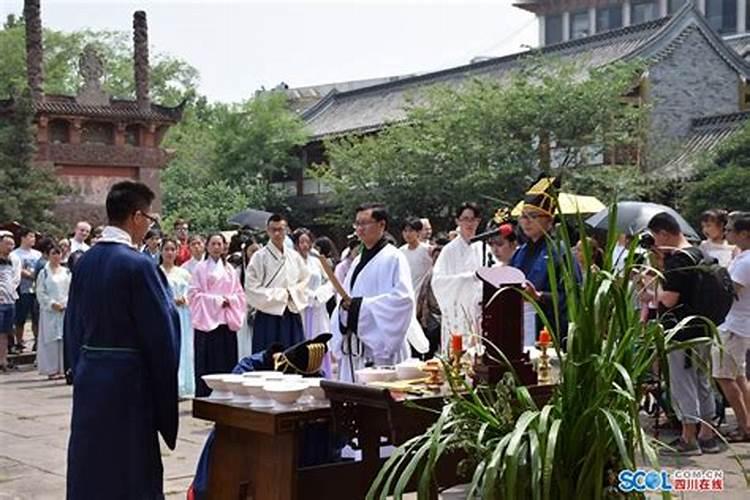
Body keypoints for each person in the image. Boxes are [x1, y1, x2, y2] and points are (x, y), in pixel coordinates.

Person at [64, 181, 180, 499]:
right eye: (150, 218)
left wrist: (79, 366)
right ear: (136, 216)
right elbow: (162, 334)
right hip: (128, 383)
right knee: (129, 467)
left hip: (89, 378)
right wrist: (164, 397)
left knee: (92, 461)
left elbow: (72, 323)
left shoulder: (84, 262)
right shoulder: (139, 265)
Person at [644, 211, 719, 455]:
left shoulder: (679, 261)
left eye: (655, 238)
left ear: (664, 233)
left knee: (682, 383)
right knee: (702, 381)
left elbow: (668, 299)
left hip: (681, 332)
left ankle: (689, 438)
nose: (654, 244)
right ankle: (707, 436)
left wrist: (649, 288)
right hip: (705, 327)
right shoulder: (700, 253)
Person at [332, 203, 427, 381]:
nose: (360, 229)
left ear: (382, 225)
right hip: (356, 346)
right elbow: (344, 297)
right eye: (357, 224)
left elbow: (403, 301)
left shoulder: (394, 257)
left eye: (365, 223)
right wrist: (345, 308)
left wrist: (360, 307)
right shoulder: (357, 260)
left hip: (381, 345)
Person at [511, 177, 576, 346]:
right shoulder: (519, 253)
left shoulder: (561, 252)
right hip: (520, 327)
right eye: (523, 217)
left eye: (532, 216)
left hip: (549, 330)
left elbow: (572, 295)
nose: (526, 221)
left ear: (549, 219)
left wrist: (539, 296)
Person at [189, 233, 246, 398]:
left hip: (226, 322)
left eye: (219, 244)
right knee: (207, 364)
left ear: (224, 247)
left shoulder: (230, 270)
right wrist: (216, 301)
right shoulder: (200, 268)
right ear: (207, 246)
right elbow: (193, 294)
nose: (216, 247)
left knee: (226, 363)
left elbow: (240, 295)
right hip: (207, 322)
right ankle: (206, 397)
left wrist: (230, 300)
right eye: (213, 244)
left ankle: (227, 397)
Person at [246, 214, 310, 354]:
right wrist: (282, 295)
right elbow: (251, 288)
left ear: (286, 230)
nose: (277, 233)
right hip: (268, 315)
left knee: (294, 357)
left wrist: (292, 293)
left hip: (291, 312)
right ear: (267, 231)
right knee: (268, 358)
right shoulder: (259, 257)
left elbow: (305, 280)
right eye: (273, 229)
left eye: (280, 229)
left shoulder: (294, 256)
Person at [712, 212, 750, 442]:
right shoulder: (742, 257)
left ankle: (744, 427)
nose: (726, 233)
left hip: (733, 326)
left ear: (743, 234)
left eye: (729, 230)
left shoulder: (745, 262)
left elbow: (730, 292)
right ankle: (746, 423)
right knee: (738, 376)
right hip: (738, 324)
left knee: (725, 377)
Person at [431, 202, 484, 352]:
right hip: (457, 313)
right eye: (465, 219)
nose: (469, 223)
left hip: (479, 313)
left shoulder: (482, 248)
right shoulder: (448, 250)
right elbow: (438, 282)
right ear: (458, 221)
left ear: (478, 221)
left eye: (473, 219)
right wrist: (469, 279)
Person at [293, 228, 334, 376]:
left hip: (318, 307)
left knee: (320, 339)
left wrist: (320, 295)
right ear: (296, 244)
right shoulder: (292, 261)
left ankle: (323, 373)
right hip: (302, 307)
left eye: (307, 241)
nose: (305, 245)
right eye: (301, 242)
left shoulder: (317, 260)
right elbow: (291, 284)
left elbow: (330, 281)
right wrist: (307, 295)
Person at [161, 238, 195, 398]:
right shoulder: (156, 272)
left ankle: (183, 385)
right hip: (163, 315)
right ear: (161, 251)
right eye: (166, 249)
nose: (169, 252)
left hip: (182, 314)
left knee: (184, 349)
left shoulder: (184, 273)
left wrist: (185, 300)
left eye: (172, 249)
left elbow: (193, 294)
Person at [35, 242, 70, 379]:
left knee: (63, 339)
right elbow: (40, 292)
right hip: (49, 311)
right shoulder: (44, 273)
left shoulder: (67, 272)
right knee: (50, 340)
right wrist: (51, 304)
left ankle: (63, 368)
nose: (56, 256)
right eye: (53, 254)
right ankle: (51, 370)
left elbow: (71, 290)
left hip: (64, 309)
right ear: (48, 255)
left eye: (58, 253)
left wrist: (65, 303)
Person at [416, 238, 449, 359]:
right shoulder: (430, 275)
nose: (437, 260)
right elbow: (423, 297)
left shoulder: (448, 275)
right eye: (435, 257)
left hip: (446, 317)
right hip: (431, 318)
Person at [11, 228, 41, 354]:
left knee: (36, 317)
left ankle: (37, 341)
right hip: (22, 289)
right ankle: (19, 342)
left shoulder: (37, 254)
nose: (33, 239)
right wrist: (30, 275)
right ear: (22, 238)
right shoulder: (16, 254)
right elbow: (18, 270)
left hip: (36, 290)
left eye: (34, 237)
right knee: (20, 318)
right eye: (30, 236)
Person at [237, 238, 261, 360]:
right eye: (252, 251)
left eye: (258, 250)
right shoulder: (239, 271)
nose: (255, 254)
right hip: (244, 311)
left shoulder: (264, 270)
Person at [0, 231, 21, 372]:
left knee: (5, 332)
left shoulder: (13, 260)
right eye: (7, 244)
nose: (10, 247)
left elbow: (15, 278)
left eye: (12, 244)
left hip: (10, 300)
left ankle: (3, 360)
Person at [400, 218, 433, 295]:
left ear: (418, 232)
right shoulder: (400, 252)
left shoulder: (428, 250)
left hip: (423, 295)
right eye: (405, 231)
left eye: (411, 231)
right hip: (407, 294)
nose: (407, 234)